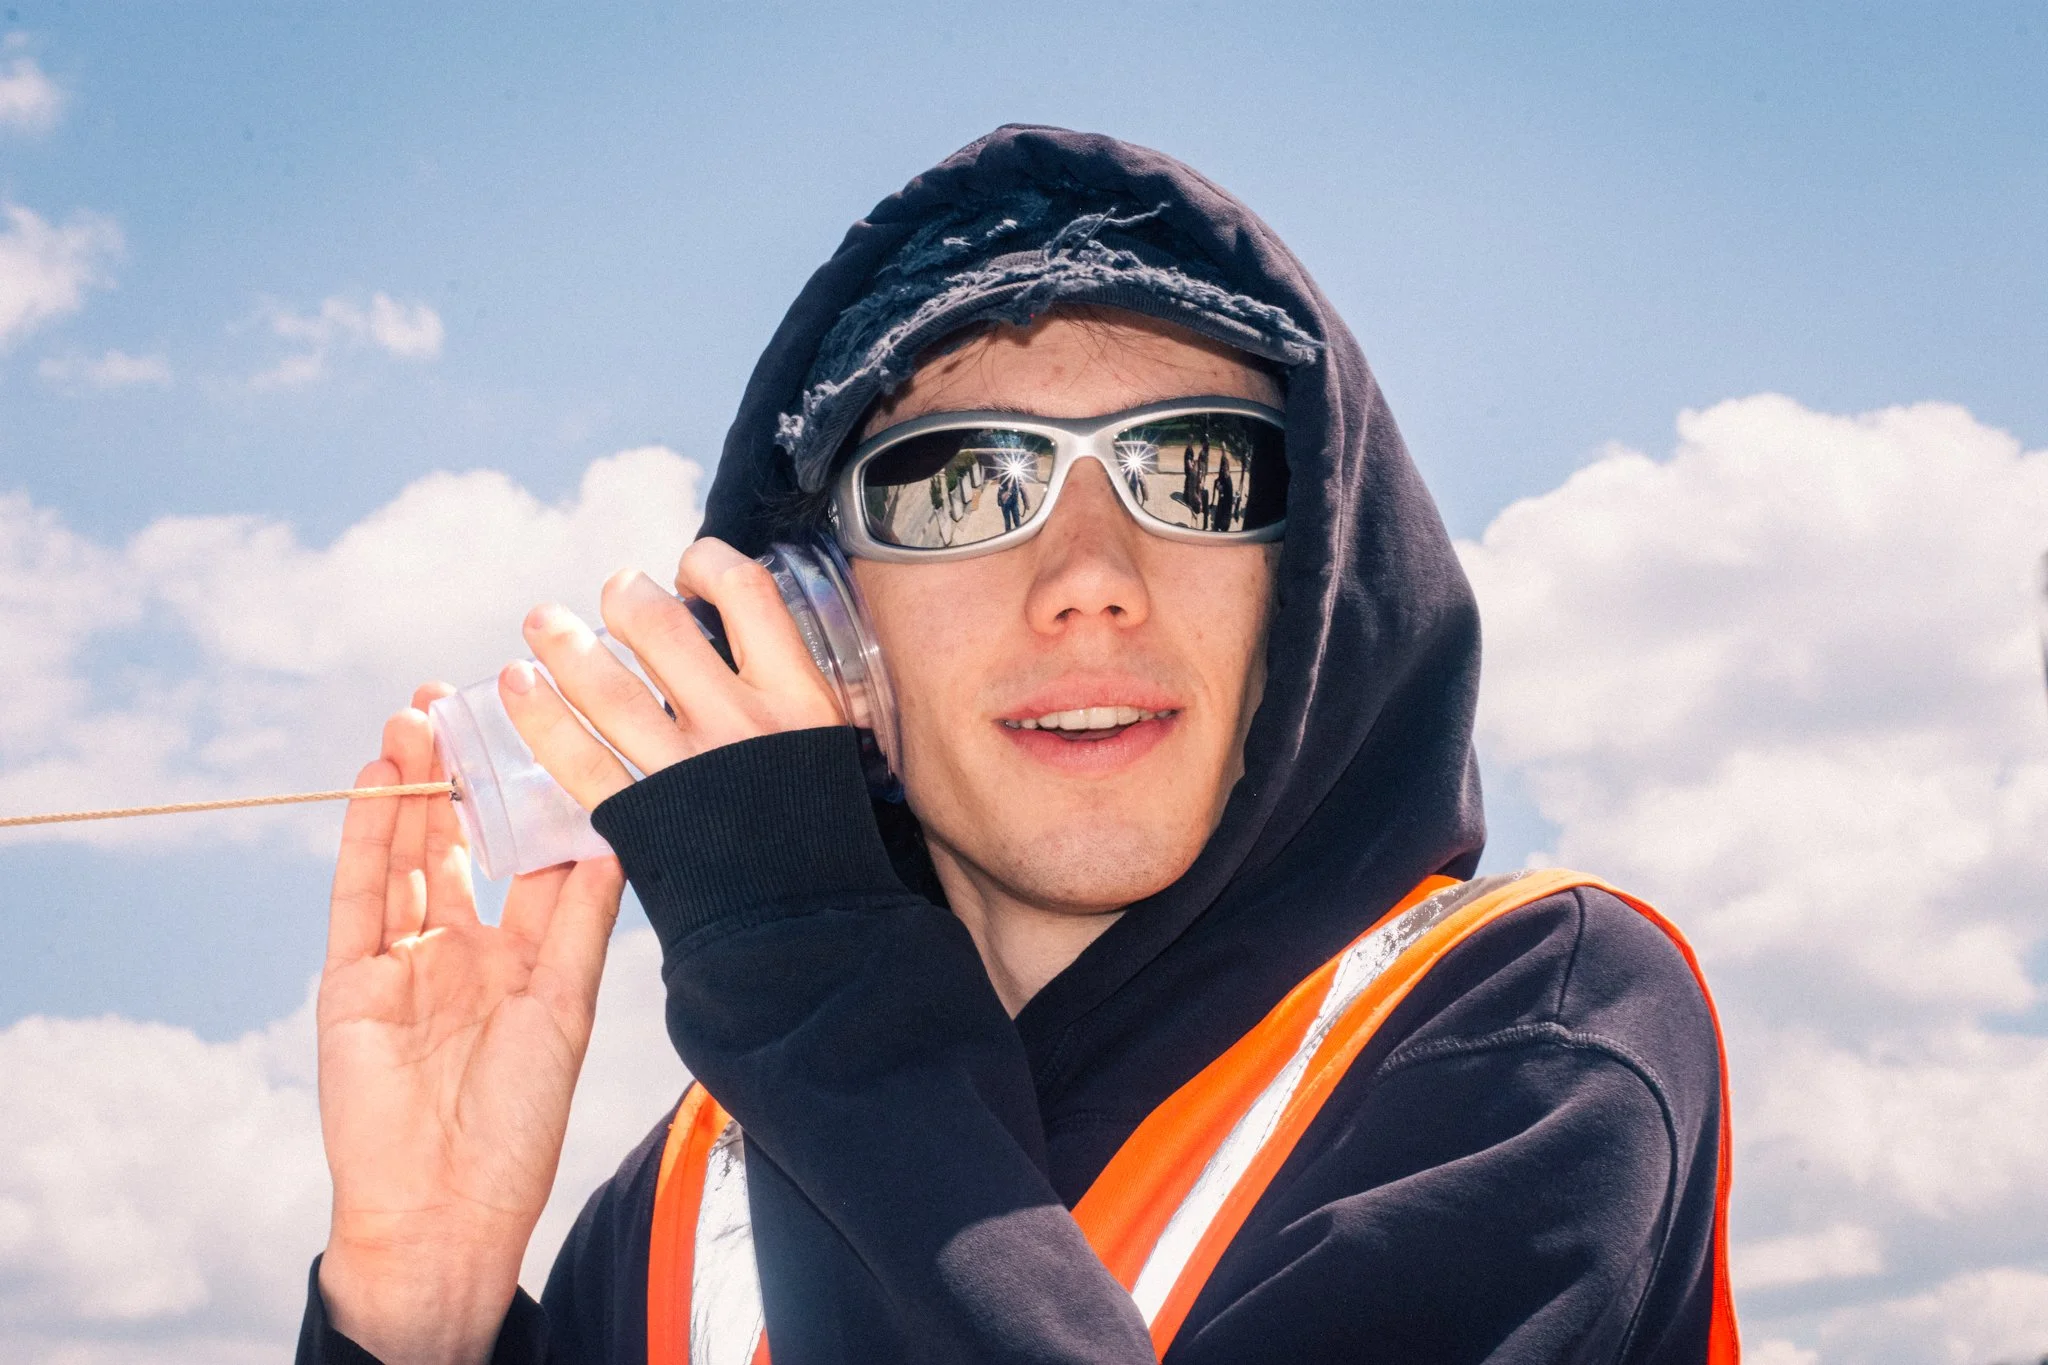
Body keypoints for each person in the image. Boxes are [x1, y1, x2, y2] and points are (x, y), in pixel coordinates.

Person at [300, 125, 1736, 1365]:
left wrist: (812, 992)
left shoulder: (1532, 1029)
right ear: (815, 623)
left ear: (1316, 577)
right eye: (959, 484)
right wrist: (417, 1312)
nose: (1089, 574)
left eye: (1200, 472)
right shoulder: (700, 1194)